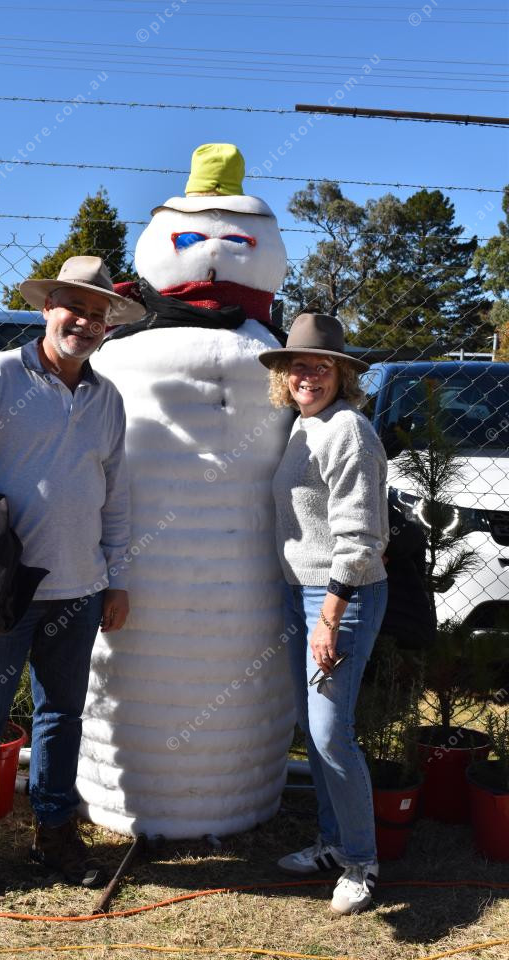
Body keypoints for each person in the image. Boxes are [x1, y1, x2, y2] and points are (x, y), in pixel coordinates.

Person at [0, 256, 140, 913]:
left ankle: (54, 831)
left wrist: (116, 578)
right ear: (47, 308)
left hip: (79, 587)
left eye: (99, 314)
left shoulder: (107, 399)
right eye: (75, 308)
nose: (86, 322)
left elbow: (116, 493)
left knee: (62, 714)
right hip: (3, 587)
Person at [258, 313, 388, 916]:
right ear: (284, 374)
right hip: (299, 590)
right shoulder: (301, 426)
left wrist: (329, 616)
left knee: (333, 731)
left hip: (342, 593)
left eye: (322, 366)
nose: (308, 375)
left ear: (342, 375)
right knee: (314, 729)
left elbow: (362, 539)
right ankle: (334, 843)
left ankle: (361, 862)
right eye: (298, 365)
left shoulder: (348, 430)